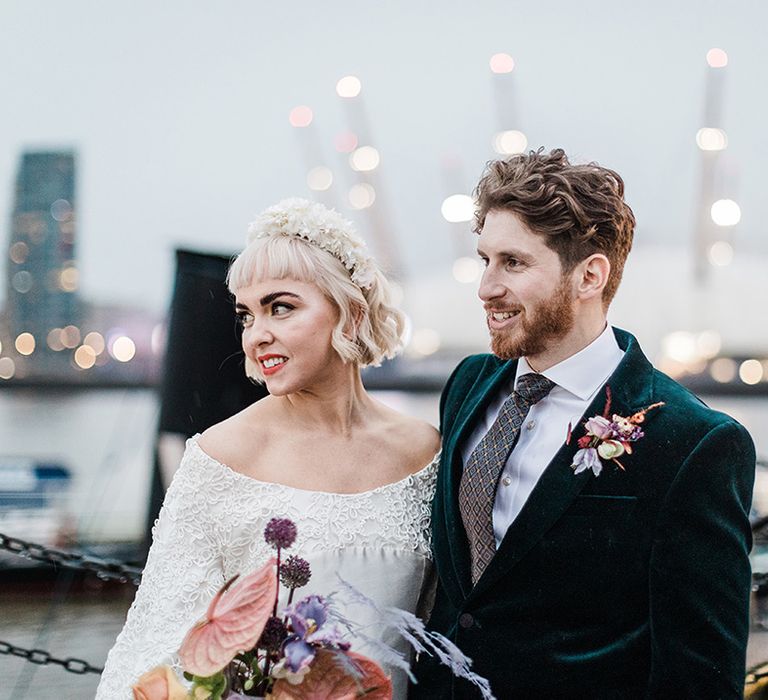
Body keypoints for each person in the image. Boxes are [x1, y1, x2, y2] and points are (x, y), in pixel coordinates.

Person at [411, 149, 756, 699]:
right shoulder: (469, 385)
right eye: (485, 260)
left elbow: (700, 672)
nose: (485, 289)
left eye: (514, 263)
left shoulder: (696, 443)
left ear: (589, 275)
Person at [97, 198, 440, 699]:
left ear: (350, 312)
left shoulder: (426, 450)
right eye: (247, 315)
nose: (257, 335)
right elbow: (154, 645)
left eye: (281, 307)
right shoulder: (221, 456)